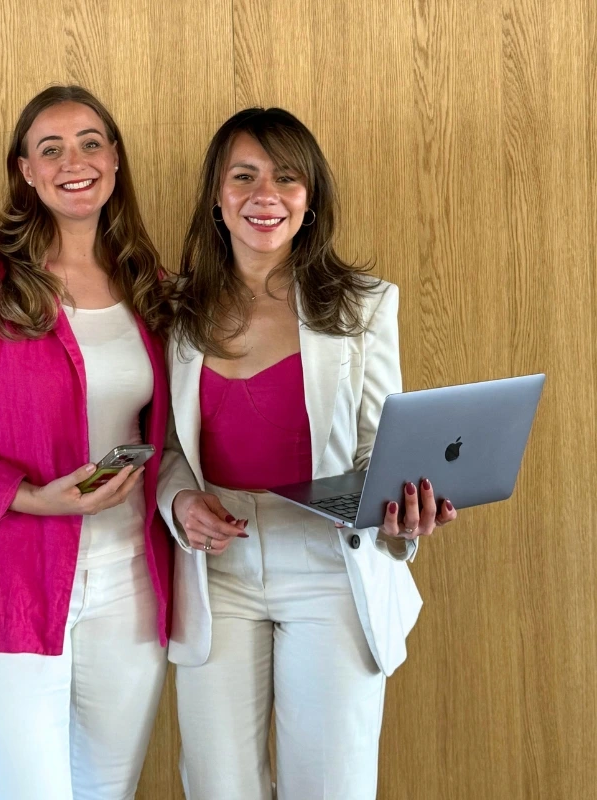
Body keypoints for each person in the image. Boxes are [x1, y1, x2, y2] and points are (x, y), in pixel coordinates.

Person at [157, 107, 458, 800]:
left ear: (310, 197)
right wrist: (180, 501)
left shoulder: (365, 307)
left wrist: (402, 515)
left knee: (332, 786)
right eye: (245, 176)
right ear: (216, 197)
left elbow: (380, 449)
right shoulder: (176, 309)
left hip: (330, 562)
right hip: (217, 571)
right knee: (217, 786)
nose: (266, 195)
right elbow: (170, 444)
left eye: (287, 178)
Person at [0, 85, 172, 800]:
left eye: (90, 143)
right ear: (24, 170)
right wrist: (29, 498)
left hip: (130, 586)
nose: (73, 162)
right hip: (3, 580)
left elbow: (172, 437)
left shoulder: (152, 285)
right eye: (50, 149)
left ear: (115, 159)